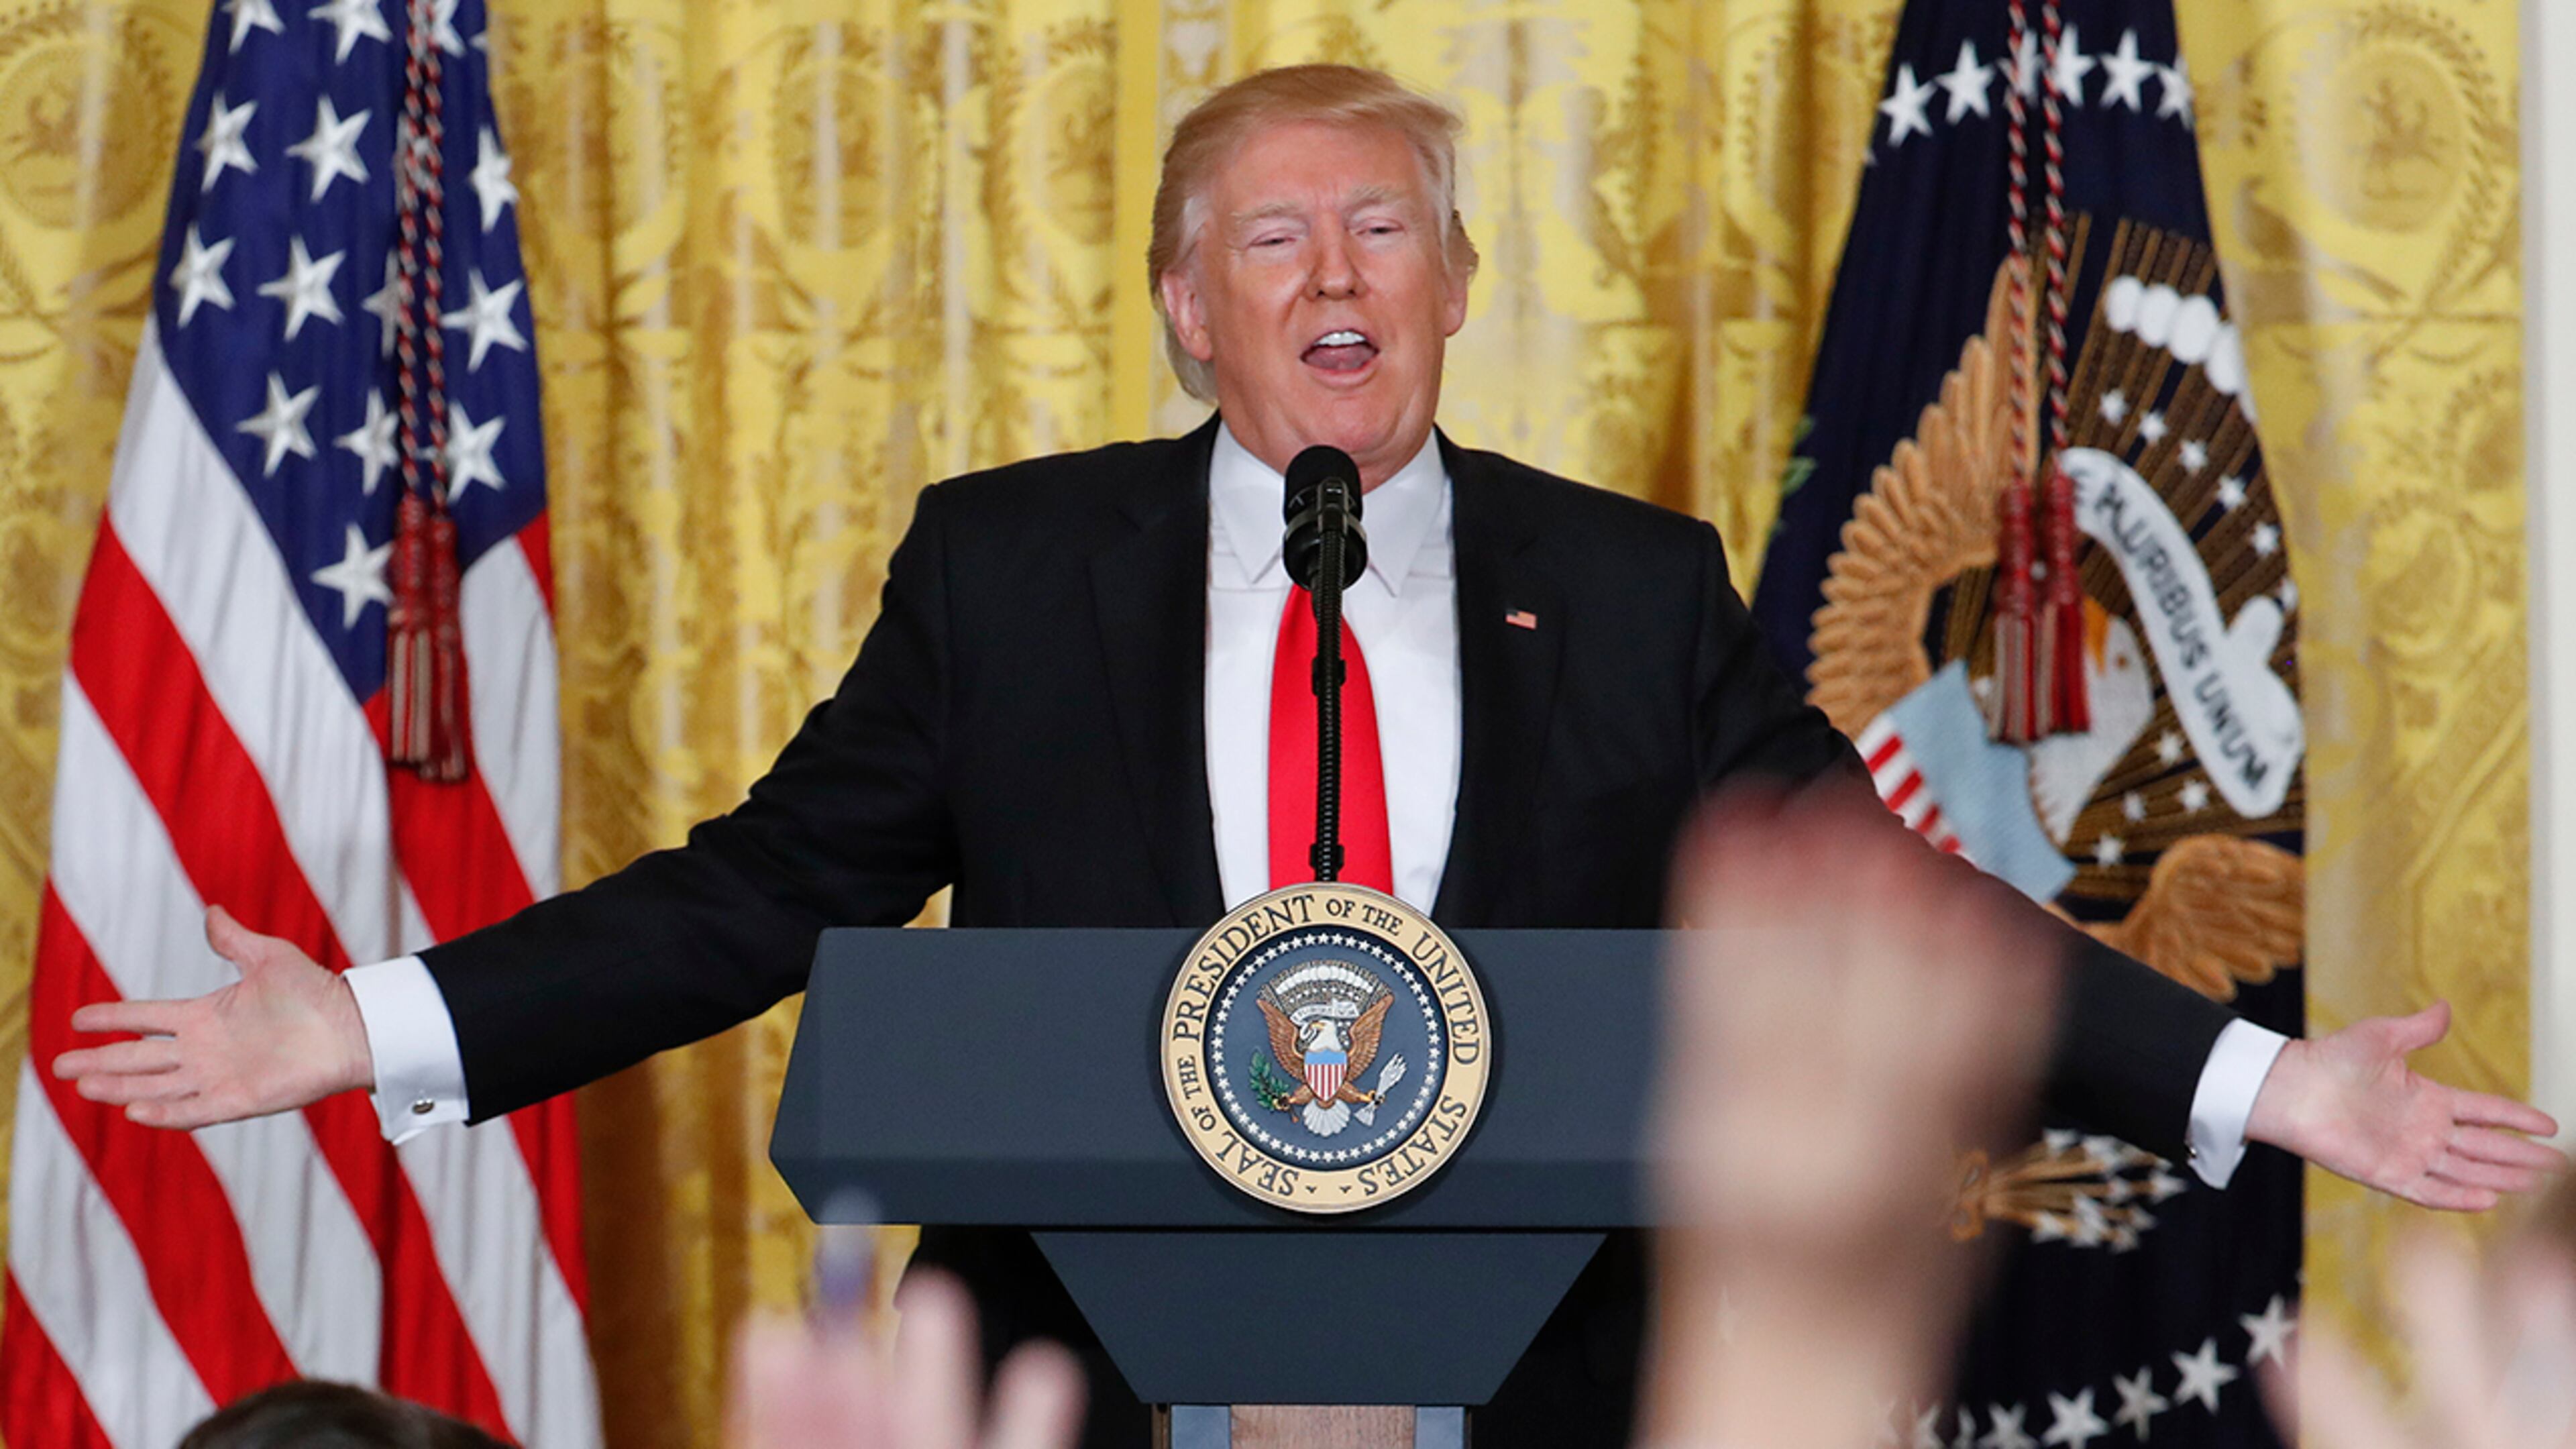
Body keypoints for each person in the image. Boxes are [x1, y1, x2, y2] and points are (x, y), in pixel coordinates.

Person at [54, 63, 2563, 1448]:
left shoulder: (1634, 587)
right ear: (1187, 307)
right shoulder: (1010, 571)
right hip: (1075, 1379)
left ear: (1456, 289)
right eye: (1273, 238)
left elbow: (1882, 904)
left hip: (1546, 1383)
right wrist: (366, 1023)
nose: (1336, 273)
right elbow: (761, 888)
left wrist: (2273, 1090)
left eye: (1384, 231)